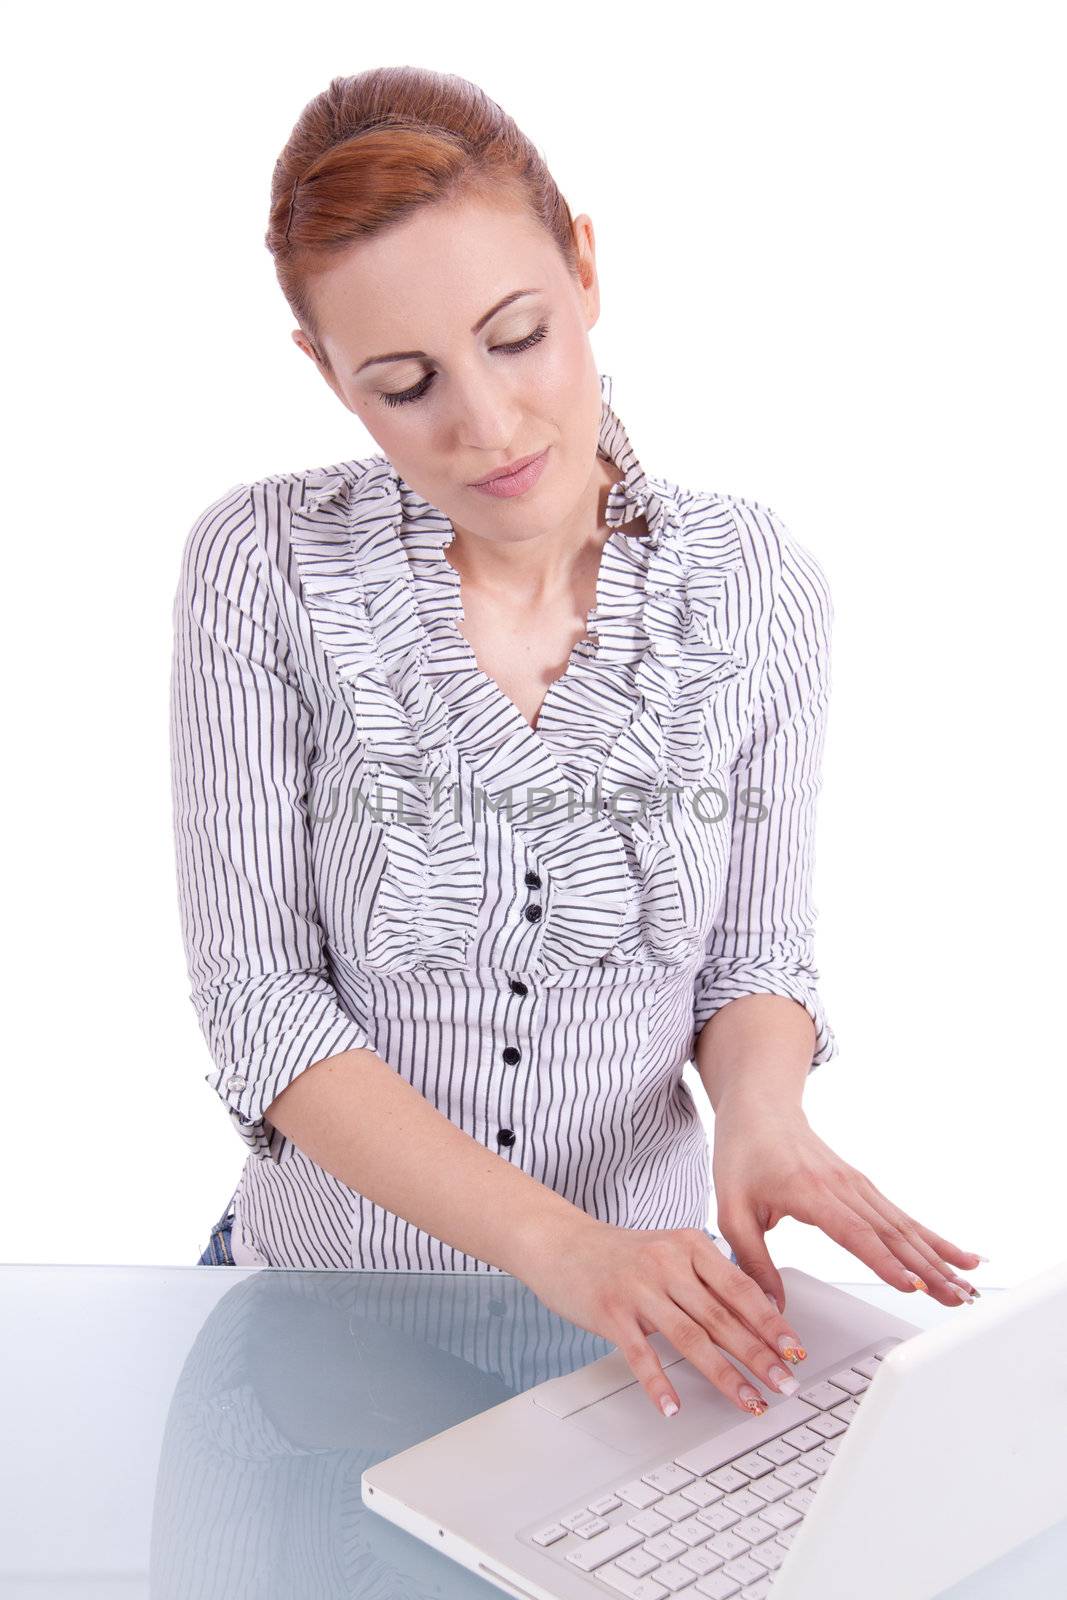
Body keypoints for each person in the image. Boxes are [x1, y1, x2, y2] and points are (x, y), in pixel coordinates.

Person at [173, 66, 984, 1422]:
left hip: (652, 1335)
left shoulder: (755, 583)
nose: (486, 427)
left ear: (585, 269)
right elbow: (261, 1006)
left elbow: (753, 964)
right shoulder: (261, 567)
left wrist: (764, 1120)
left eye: (517, 336)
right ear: (326, 374)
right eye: (404, 381)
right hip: (314, 1330)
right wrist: (562, 1247)